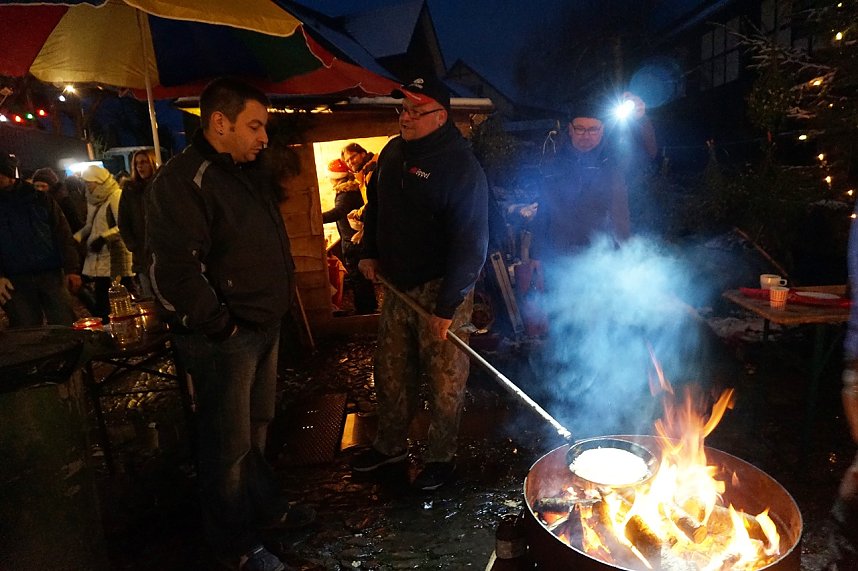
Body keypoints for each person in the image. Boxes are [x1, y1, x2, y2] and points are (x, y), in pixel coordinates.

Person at [146, 77, 311, 571]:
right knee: (227, 446)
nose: (264, 137)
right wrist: (221, 326)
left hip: (262, 325)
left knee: (256, 430)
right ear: (220, 122)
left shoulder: (244, 171)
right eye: (255, 126)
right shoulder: (183, 181)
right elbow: (174, 270)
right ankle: (235, 546)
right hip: (226, 338)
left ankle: (263, 511)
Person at [351, 76, 489, 491]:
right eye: (403, 109)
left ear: (440, 116)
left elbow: (471, 243)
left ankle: (441, 457)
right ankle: (390, 445)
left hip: (441, 288)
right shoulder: (393, 153)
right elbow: (375, 207)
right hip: (397, 284)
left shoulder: (460, 167)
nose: (405, 117)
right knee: (390, 370)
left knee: (445, 379)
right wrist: (368, 252)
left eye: (415, 110)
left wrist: (447, 308)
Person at [530, 101, 630, 266]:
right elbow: (543, 211)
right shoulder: (554, 163)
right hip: (559, 255)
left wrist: (626, 252)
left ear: (602, 130)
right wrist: (536, 254)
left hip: (602, 256)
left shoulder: (613, 164)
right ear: (570, 129)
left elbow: (620, 214)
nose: (586, 136)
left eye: (593, 129)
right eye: (580, 129)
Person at [0, 153, 81, 327]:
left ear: (8, 174)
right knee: (27, 331)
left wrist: (72, 269)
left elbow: (62, 234)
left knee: (64, 325)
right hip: (15, 280)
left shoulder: (40, 199)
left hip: (50, 274)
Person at [74, 165, 134, 322]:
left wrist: (104, 238)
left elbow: (123, 225)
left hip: (116, 258)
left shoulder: (115, 196)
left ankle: (120, 325)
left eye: (89, 182)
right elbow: (90, 225)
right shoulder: (92, 200)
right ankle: (107, 325)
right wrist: (77, 237)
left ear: (99, 181)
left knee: (117, 298)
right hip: (99, 258)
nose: (87, 186)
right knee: (102, 299)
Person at [322, 158, 377, 315]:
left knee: (357, 278)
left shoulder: (345, 193)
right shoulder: (351, 190)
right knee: (361, 278)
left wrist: (317, 218)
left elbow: (338, 212)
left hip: (353, 241)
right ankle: (369, 307)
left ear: (335, 178)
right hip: (355, 238)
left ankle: (364, 311)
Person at [118, 148, 158, 298]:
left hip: (160, 250)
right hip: (141, 253)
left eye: (144, 162)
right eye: (137, 163)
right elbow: (123, 220)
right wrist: (132, 244)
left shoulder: (160, 186)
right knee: (148, 295)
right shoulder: (130, 190)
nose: (140, 166)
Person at [32, 167, 86, 232]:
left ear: (51, 186)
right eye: (37, 186)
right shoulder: (32, 202)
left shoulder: (63, 201)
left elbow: (75, 224)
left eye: (43, 186)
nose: (39, 189)